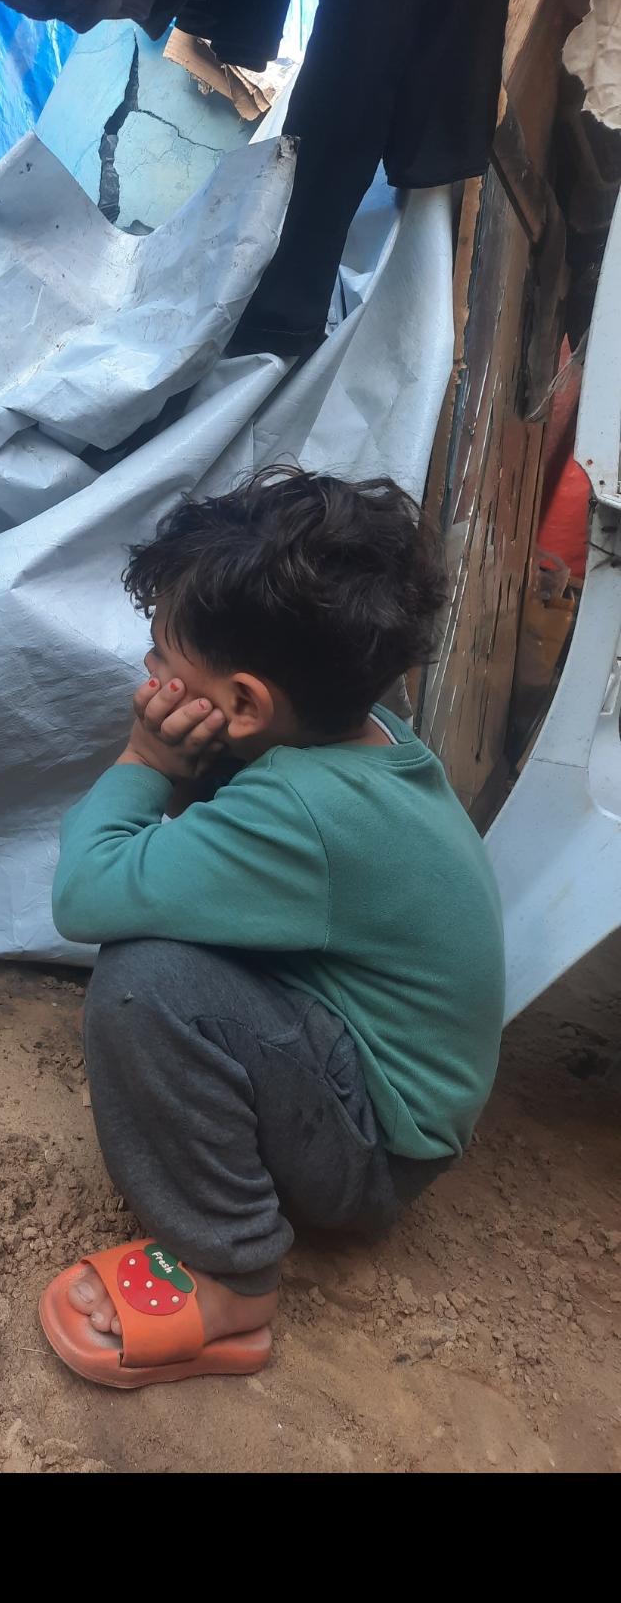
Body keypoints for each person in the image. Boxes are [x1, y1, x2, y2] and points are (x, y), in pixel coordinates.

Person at [39, 467, 506, 1390]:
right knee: (172, 943)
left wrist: (145, 759)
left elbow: (86, 894)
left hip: (374, 1152)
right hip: (393, 1099)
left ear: (247, 704)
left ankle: (233, 1280)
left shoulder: (300, 809)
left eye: (162, 657)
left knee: (146, 982)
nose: (149, 673)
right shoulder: (368, 736)